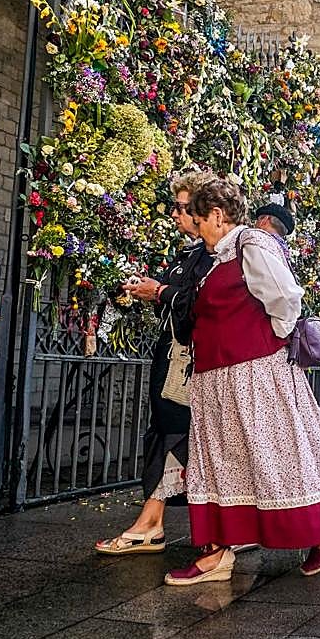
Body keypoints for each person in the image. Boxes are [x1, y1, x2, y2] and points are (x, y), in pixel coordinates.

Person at [164, 178, 320, 584]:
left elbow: (285, 297)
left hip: (253, 373)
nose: (196, 227)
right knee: (223, 464)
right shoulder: (220, 255)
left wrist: (270, 345)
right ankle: (217, 552)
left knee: (279, 455)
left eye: (199, 218)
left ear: (217, 214)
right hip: (218, 376)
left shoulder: (251, 242)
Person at [94, 171, 216, 555]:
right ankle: (153, 520)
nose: (175, 214)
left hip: (189, 362)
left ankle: (155, 520)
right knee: (166, 431)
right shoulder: (187, 254)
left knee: (179, 434)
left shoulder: (212, 256)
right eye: (174, 206)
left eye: (182, 207)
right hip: (171, 357)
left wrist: (160, 291)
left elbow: (201, 303)